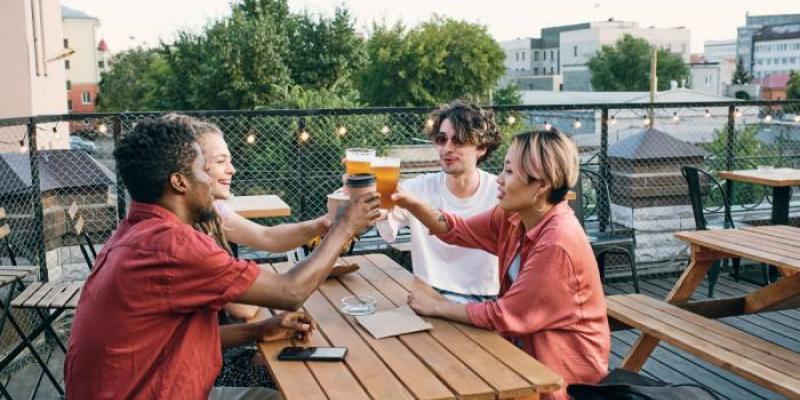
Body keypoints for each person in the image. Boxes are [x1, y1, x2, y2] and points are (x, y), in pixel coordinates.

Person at [64, 115, 381, 399]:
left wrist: (258, 330)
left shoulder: (133, 232)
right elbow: (290, 292)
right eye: (205, 169)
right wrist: (344, 227)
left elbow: (169, 337)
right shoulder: (172, 245)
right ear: (179, 182)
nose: (212, 179)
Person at [396, 129, 610, 400]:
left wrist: (437, 307)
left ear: (541, 185)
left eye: (509, 172)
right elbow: (456, 229)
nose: (498, 179)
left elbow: (503, 315)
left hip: (560, 382)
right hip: (520, 355)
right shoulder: (513, 217)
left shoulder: (558, 243)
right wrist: (408, 202)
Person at [181, 116, 332, 387]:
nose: (232, 169)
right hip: (205, 369)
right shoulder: (186, 237)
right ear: (192, 170)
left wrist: (322, 224)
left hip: (213, 350)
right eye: (220, 161)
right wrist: (260, 286)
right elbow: (244, 308)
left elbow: (267, 236)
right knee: (307, 378)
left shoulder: (213, 212)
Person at [376, 101, 502, 303]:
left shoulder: (499, 192)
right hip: (428, 295)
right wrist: (359, 190)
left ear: (482, 148)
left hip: (485, 298)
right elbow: (382, 212)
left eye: (458, 141)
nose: (447, 148)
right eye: (441, 139)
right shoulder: (418, 188)